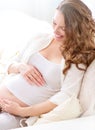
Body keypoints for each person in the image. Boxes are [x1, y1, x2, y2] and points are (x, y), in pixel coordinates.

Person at [0, 0, 95, 129]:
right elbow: (10, 65)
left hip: (15, 114)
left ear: (77, 28)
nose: (56, 30)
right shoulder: (40, 38)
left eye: (63, 28)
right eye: (54, 23)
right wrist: (21, 67)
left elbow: (66, 96)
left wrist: (22, 111)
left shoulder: (77, 58)